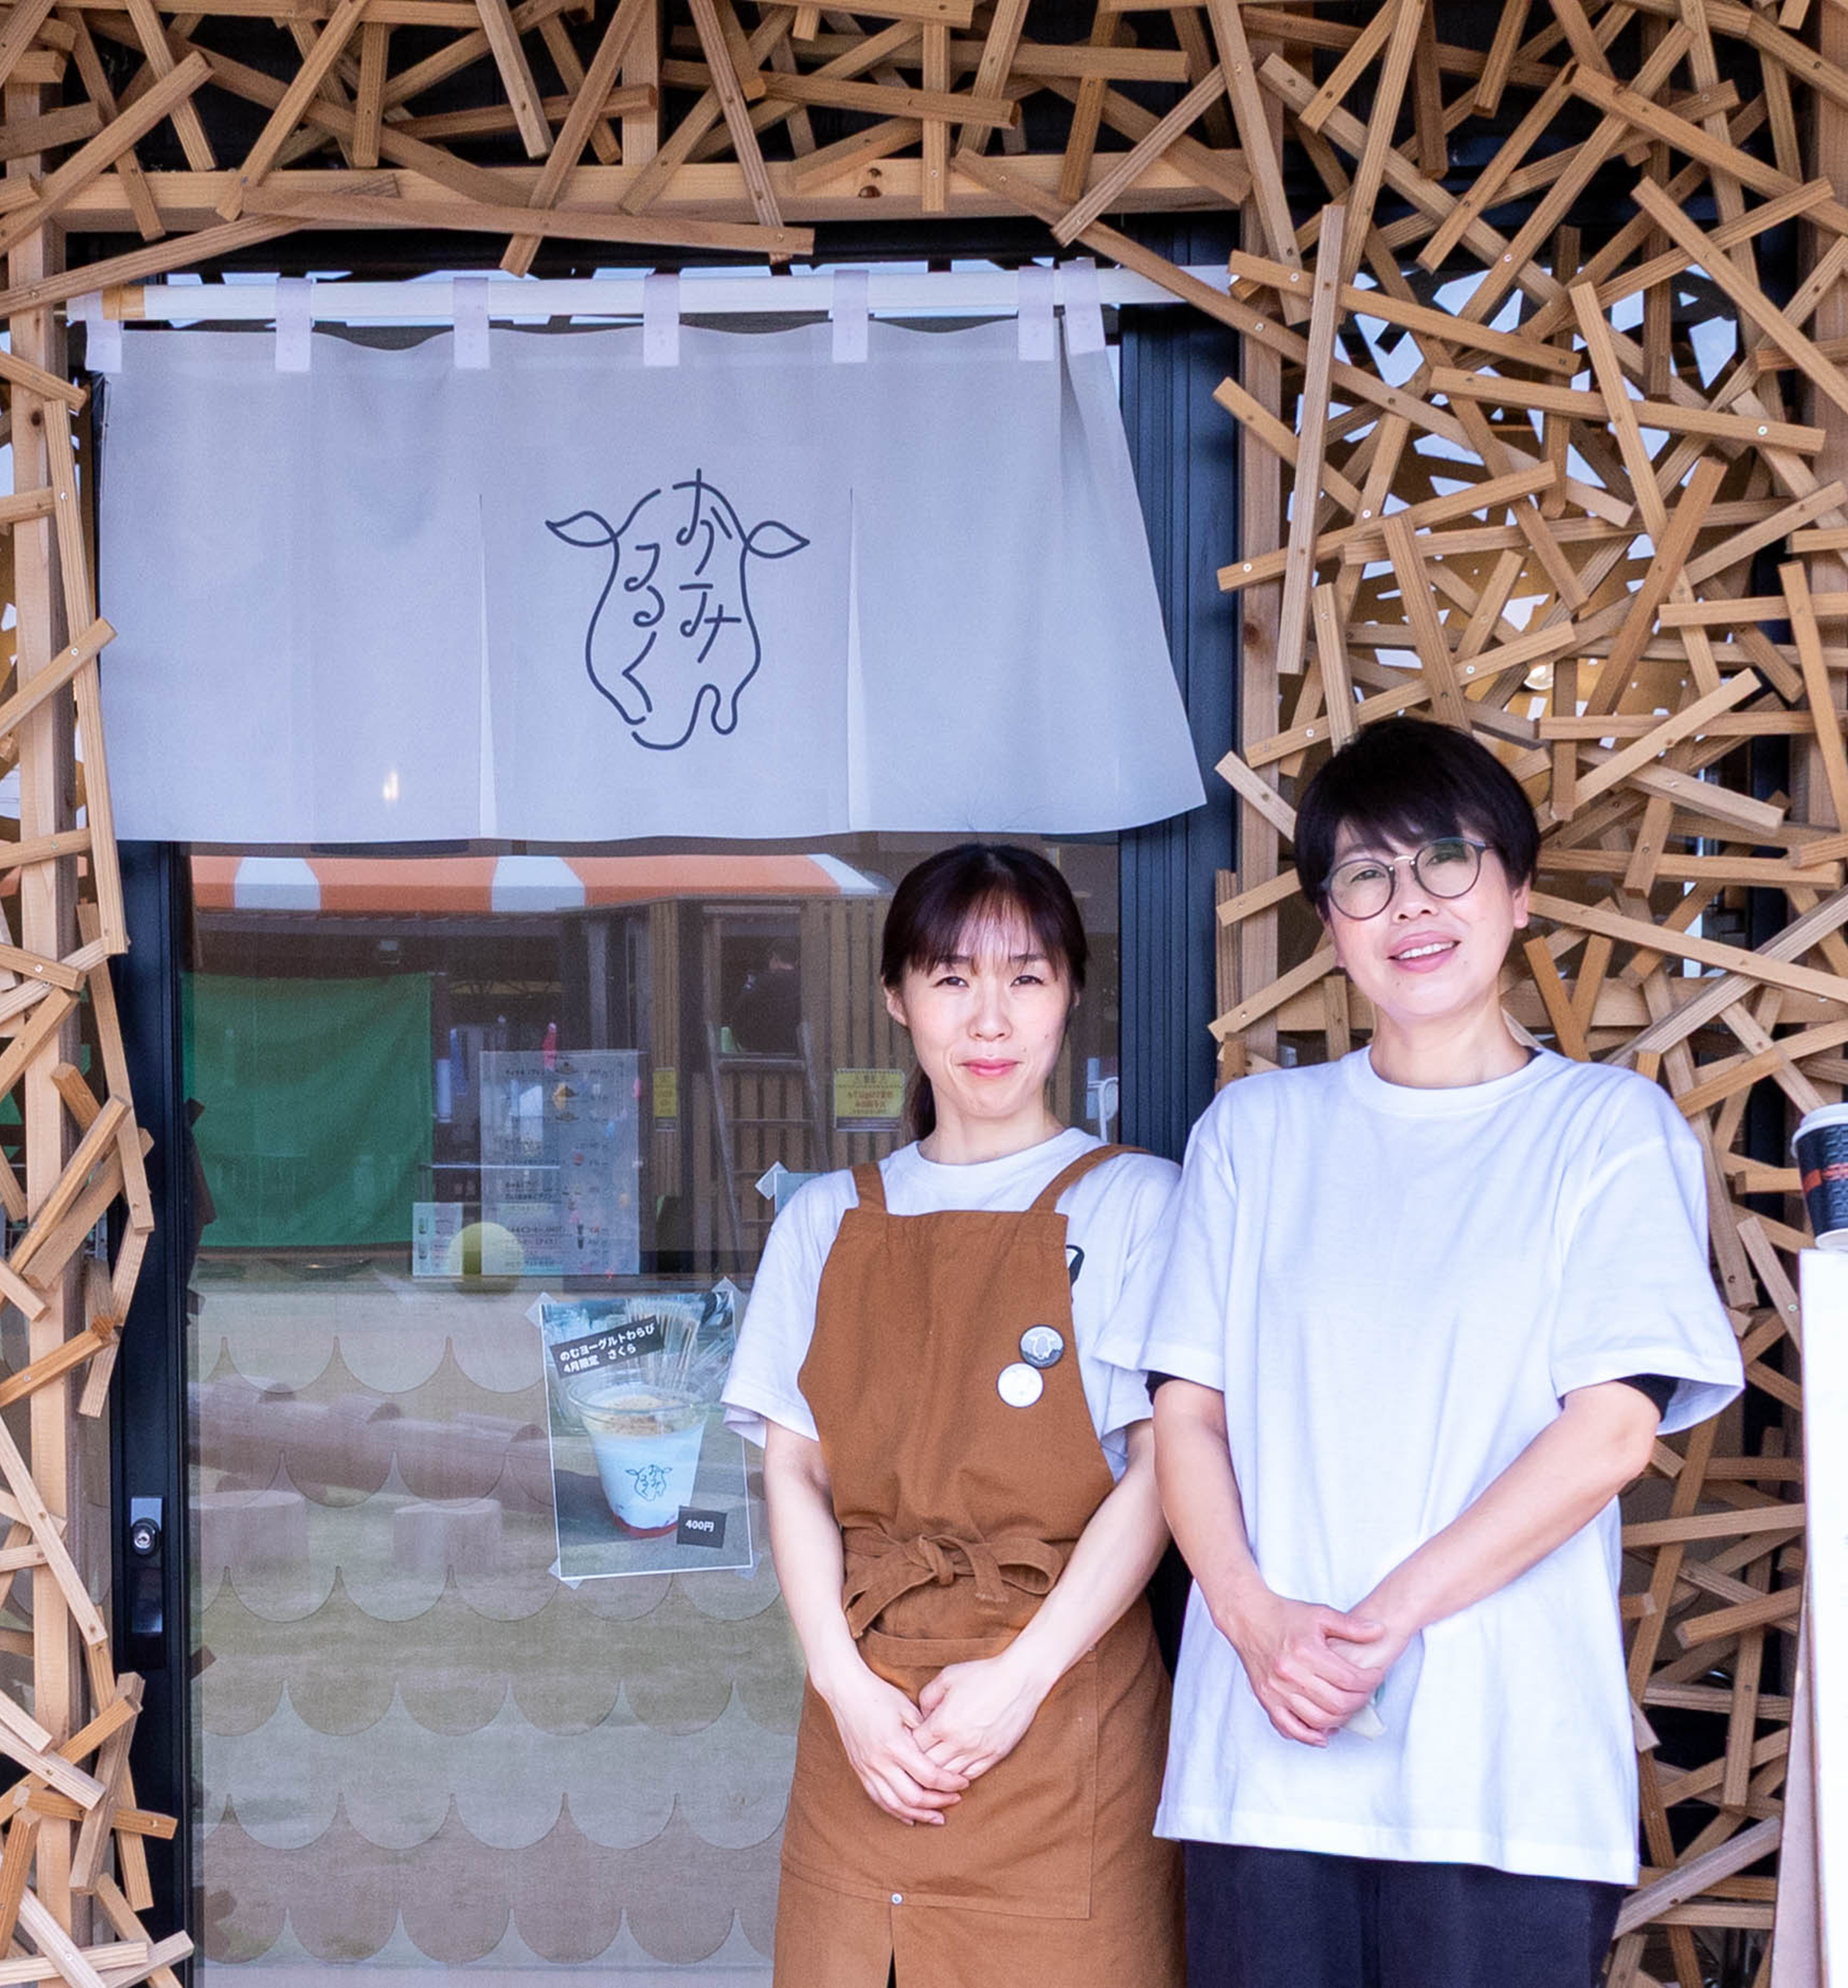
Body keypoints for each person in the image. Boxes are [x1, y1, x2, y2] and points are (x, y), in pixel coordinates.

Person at [1117, 717, 1742, 1988]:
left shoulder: (1606, 1131)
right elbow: (1185, 1414)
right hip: (1268, 1764)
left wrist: (1377, 1624)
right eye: (1365, 875)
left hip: (1500, 1771)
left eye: (1447, 861)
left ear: (1517, 893)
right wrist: (1251, 1621)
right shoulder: (1255, 1132)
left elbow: (1611, 1434)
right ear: (1329, 922)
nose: (1410, 904)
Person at [724, 843, 1181, 1986]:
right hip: (866, 1724)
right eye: (950, 978)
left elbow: (1165, 1470)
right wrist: (843, 1689)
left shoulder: (1137, 1200)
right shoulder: (825, 1219)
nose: (991, 1019)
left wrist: (1020, 1680)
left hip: (1067, 1708)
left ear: (1070, 992)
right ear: (897, 998)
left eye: (1026, 977)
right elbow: (794, 1472)